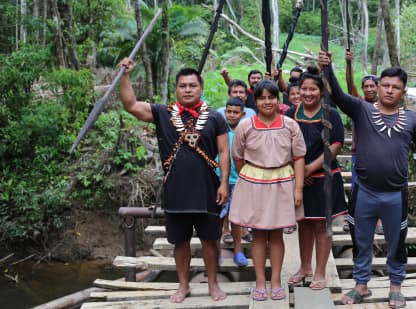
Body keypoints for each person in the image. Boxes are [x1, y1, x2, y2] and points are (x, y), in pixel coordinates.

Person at [318, 51, 416, 308]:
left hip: (395, 193)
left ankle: (396, 286)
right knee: (360, 238)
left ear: (403, 91)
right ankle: (361, 284)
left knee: (396, 241)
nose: (389, 91)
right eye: (384, 85)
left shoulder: (411, 119)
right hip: (364, 190)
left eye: (395, 87)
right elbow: (340, 97)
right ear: (377, 87)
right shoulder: (362, 110)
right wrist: (328, 68)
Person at [118, 58, 230, 303]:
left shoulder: (215, 117)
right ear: (176, 89)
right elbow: (131, 105)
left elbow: (223, 152)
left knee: (211, 241)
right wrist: (125, 74)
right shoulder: (162, 113)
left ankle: (213, 284)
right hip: (175, 190)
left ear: (200, 88)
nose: (187, 89)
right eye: (182, 86)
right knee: (180, 242)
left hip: (207, 190)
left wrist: (223, 184)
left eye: (192, 85)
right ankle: (183, 285)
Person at [228, 80, 306, 301]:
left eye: (271, 97)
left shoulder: (290, 125)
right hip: (254, 182)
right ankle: (260, 281)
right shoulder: (245, 125)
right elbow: (238, 157)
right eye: (262, 98)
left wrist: (298, 188)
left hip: (282, 182)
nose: (267, 102)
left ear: (277, 99)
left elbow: (299, 157)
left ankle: (276, 281)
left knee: (277, 234)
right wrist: (252, 178)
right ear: (255, 100)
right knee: (259, 235)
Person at [285, 65, 347, 290]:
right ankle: (304, 266)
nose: (308, 93)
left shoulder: (331, 114)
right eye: (304, 89)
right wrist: (298, 171)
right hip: (299, 178)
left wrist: (309, 168)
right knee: (304, 225)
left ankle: (320, 272)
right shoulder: (290, 114)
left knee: (323, 226)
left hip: (324, 178)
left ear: (321, 91)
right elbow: (283, 144)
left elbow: (336, 144)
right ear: (298, 90)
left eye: (313, 89)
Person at [343, 50, 384, 237]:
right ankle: (353, 219)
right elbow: (350, 85)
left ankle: (379, 221)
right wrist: (349, 64)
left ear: (378, 87)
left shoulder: (385, 107)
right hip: (358, 154)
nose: (368, 89)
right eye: (365, 86)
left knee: (380, 188)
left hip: (380, 155)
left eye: (371, 86)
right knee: (357, 188)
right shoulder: (359, 104)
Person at [216, 98, 250, 267]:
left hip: (239, 179)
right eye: (228, 111)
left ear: (242, 114)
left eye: (235, 112)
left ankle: (238, 250)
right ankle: (216, 252)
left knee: (236, 217)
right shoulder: (219, 130)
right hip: (220, 177)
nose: (231, 115)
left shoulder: (245, 131)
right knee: (217, 215)